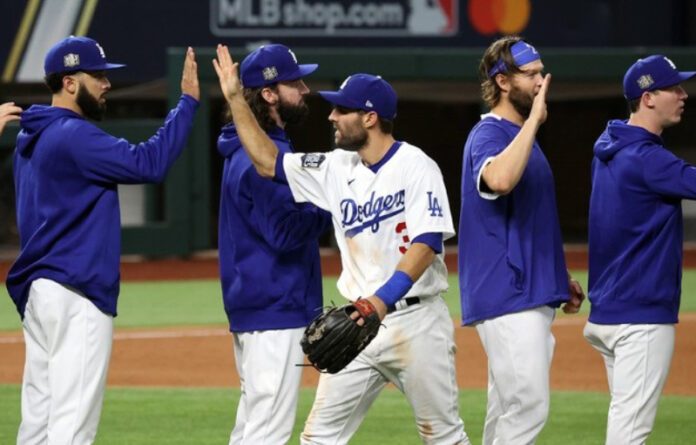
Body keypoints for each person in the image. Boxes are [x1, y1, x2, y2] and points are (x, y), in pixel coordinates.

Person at [213, 44, 471, 445]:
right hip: (356, 326)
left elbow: (425, 244)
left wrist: (379, 302)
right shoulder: (335, 166)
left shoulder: (416, 166)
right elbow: (267, 160)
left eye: (342, 109)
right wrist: (233, 98)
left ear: (370, 118)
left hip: (414, 324)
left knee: (444, 437)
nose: (330, 114)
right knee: (318, 439)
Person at [5, 36, 199, 444]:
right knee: (71, 427)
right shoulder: (74, 135)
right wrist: (187, 104)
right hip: (76, 291)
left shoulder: (30, 137)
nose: (107, 83)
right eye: (97, 76)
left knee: (38, 424)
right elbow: (151, 162)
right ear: (70, 83)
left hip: (41, 294)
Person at [458, 36, 584, 445]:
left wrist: (557, 277)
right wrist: (533, 122)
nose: (540, 82)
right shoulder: (489, 134)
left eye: (540, 72)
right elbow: (499, 180)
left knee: (506, 410)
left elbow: (530, 220)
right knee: (528, 406)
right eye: (530, 74)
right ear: (503, 81)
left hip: (529, 290)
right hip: (508, 294)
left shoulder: (519, 138)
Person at [217, 44, 332, 445]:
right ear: (268, 94)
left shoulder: (242, 149)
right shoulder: (262, 156)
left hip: (257, 304)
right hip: (275, 308)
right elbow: (283, 232)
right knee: (266, 433)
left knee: (251, 427)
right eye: (294, 82)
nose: (304, 90)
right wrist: (328, 203)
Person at [584, 55, 696, 445]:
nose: (684, 94)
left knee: (625, 424)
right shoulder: (647, 159)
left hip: (609, 314)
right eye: (674, 88)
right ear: (648, 98)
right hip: (640, 318)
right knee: (629, 435)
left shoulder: (610, 147)